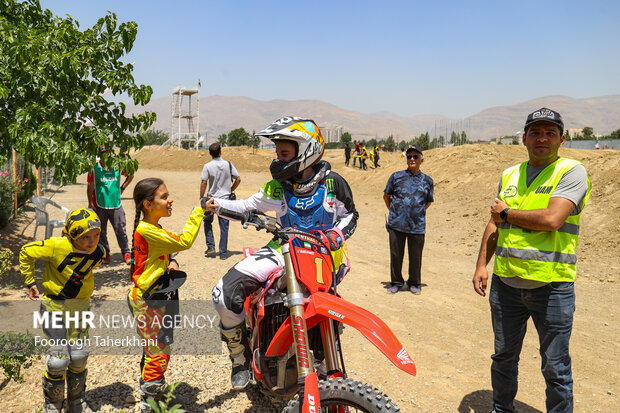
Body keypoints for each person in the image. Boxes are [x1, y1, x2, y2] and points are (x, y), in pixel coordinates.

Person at [205, 116, 358, 389]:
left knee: (323, 311)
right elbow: (246, 205)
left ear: (306, 150)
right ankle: (239, 356)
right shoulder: (277, 187)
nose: (278, 159)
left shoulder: (334, 184)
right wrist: (217, 204)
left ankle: (326, 367)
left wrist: (336, 235)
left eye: (284, 153)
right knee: (222, 293)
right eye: (277, 153)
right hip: (282, 250)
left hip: (322, 256)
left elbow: (350, 216)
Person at [472, 107, 591, 413]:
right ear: (524, 138)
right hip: (506, 285)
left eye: (550, 132)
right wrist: (481, 265)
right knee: (503, 359)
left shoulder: (571, 172)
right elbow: (494, 222)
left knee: (555, 367)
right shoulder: (509, 174)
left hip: (552, 288)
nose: (542, 138)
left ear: (562, 139)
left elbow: (552, 219)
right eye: (535, 132)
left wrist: (508, 213)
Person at [127, 178, 206, 412]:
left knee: (156, 349)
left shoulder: (152, 228)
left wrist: (168, 262)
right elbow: (184, 241)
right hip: (148, 302)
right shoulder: (147, 230)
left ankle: (154, 395)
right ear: (147, 204)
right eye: (164, 197)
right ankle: (149, 404)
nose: (170, 200)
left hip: (154, 297)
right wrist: (198, 211)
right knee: (158, 352)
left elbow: (159, 254)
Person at [20, 208, 106, 413]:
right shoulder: (57, 246)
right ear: (72, 235)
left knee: (78, 357)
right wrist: (30, 281)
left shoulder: (98, 253)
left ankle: (76, 402)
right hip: (54, 308)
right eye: (85, 237)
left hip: (80, 309)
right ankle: (52, 403)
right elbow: (26, 251)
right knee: (58, 359)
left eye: (96, 235)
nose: (92, 241)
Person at [383, 145, 433, 295]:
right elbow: (387, 196)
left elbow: (428, 201)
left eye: (415, 156)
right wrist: (395, 211)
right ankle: (396, 282)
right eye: (409, 156)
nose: (412, 159)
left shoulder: (427, 180)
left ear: (421, 160)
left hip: (417, 225)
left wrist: (416, 212)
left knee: (416, 256)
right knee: (396, 255)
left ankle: (414, 282)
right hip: (396, 223)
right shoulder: (396, 176)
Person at [87, 150, 133, 265]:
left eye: (108, 152)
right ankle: (105, 254)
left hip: (116, 205)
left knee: (120, 230)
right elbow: (90, 186)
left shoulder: (117, 166)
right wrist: (90, 203)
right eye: (103, 153)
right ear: (100, 154)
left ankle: (126, 253)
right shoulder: (94, 167)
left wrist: (122, 188)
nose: (106, 155)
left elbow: (130, 175)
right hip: (100, 205)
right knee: (101, 231)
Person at [199, 143, 241, 259]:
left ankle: (211, 247)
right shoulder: (229, 165)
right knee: (224, 226)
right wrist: (231, 190)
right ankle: (223, 253)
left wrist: (201, 197)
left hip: (211, 199)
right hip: (225, 200)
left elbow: (204, 182)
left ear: (210, 153)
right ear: (220, 152)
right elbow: (238, 179)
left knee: (207, 222)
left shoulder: (207, 166)